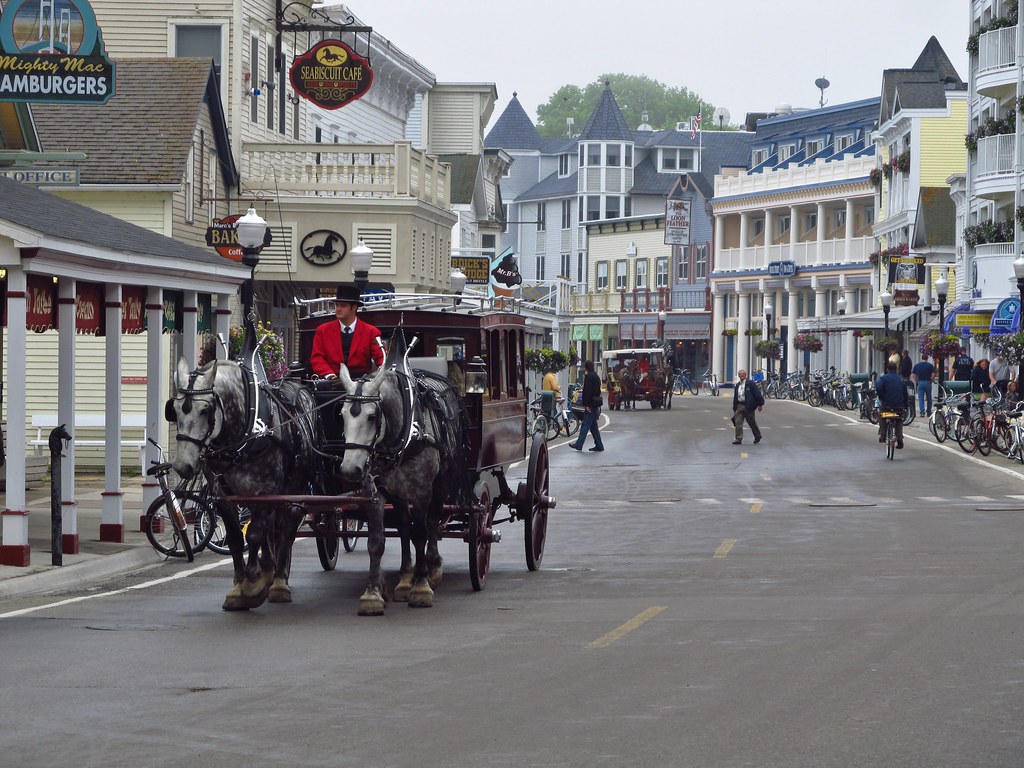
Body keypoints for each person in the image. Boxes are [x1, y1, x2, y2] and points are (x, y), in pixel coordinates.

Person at [310, 284, 385, 379]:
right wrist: (329, 375)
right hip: (331, 382)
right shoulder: (323, 331)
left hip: (361, 384)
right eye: (337, 305)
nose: (338, 309)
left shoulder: (371, 332)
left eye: (343, 305)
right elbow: (317, 358)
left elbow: (381, 359)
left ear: (354, 308)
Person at [570, 359, 605, 452]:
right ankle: (599, 445)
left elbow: (587, 391)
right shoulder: (596, 377)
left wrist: (586, 405)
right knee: (594, 428)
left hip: (590, 404)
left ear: (586, 367)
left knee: (585, 425)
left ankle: (579, 444)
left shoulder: (588, 377)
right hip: (595, 403)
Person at [876, 361, 908, 449]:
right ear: (896, 369)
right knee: (898, 420)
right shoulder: (901, 380)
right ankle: (900, 439)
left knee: (881, 415)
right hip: (898, 408)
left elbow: (878, 387)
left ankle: (883, 434)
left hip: (887, 407)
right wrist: (905, 406)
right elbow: (905, 395)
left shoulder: (883, 379)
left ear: (887, 369)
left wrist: (881, 396)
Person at [732, 368, 764, 445]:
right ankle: (738, 439)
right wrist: (735, 407)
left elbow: (757, 394)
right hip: (740, 405)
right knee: (738, 422)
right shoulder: (737, 385)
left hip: (748, 406)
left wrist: (760, 404)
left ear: (745, 375)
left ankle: (758, 436)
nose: (741, 375)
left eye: (743, 374)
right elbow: (736, 397)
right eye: (740, 374)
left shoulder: (751, 384)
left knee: (752, 423)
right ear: (739, 376)